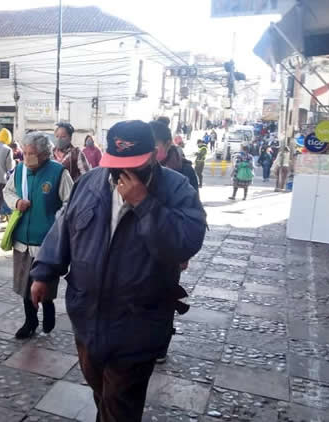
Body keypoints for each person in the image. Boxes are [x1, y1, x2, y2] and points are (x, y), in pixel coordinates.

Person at [30, 120, 206, 421]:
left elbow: (185, 244)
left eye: (132, 164)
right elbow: (64, 226)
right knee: (103, 393)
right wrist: (44, 272)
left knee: (120, 402)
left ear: (152, 157)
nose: (121, 173)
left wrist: (144, 203)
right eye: (116, 164)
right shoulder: (91, 182)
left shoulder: (177, 188)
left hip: (138, 324)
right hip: (87, 318)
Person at [3, 132, 73, 339]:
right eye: (24, 153)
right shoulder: (20, 170)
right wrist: (16, 202)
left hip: (47, 244)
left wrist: (57, 221)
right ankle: (30, 321)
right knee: (25, 286)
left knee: (46, 285)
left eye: (31, 153)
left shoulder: (59, 173)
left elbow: (70, 202)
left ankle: (48, 309)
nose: (27, 157)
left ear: (44, 154)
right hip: (22, 241)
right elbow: (8, 191)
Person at [150, 121, 199, 192]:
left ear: (168, 144)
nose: (149, 151)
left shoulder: (185, 170)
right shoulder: (141, 168)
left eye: (154, 146)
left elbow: (192, 202)